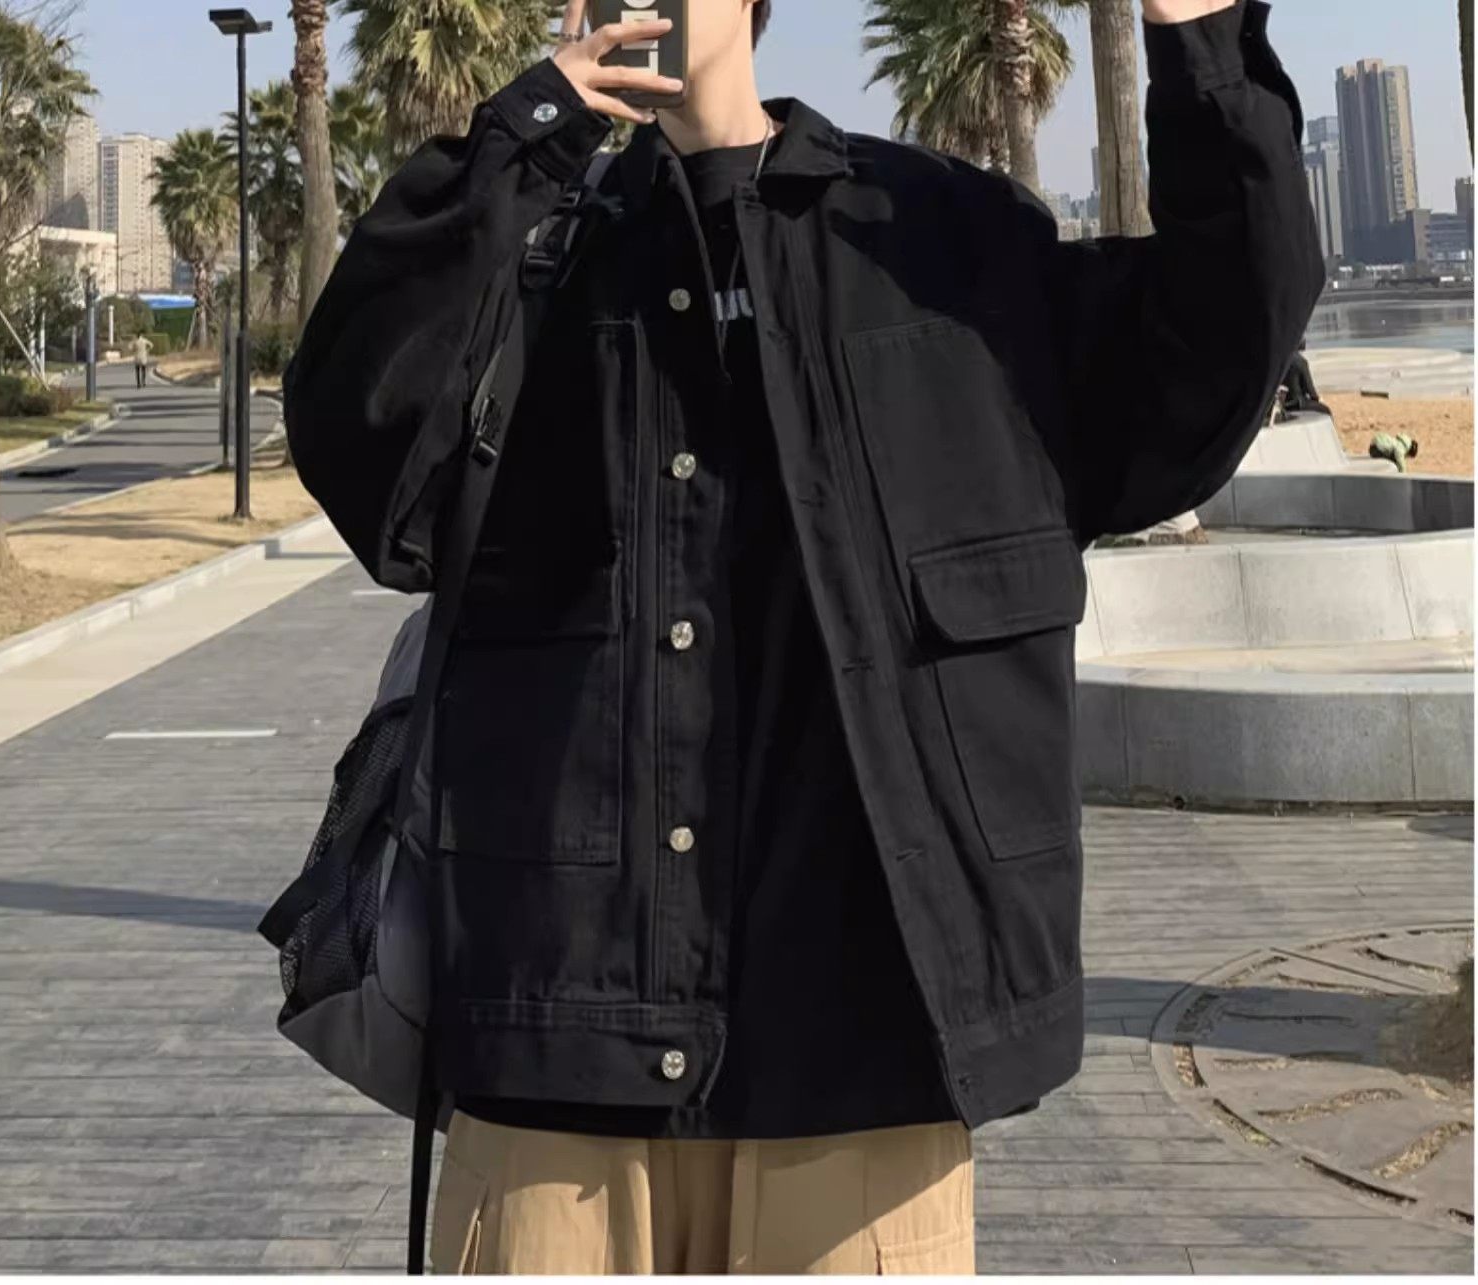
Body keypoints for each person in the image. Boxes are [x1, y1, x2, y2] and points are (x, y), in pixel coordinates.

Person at [283, 0, 1324, 1272]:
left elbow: (1216, 347)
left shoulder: (952, 244)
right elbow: (360, 439)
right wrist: (526, 133)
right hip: (556, 1044)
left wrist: (1204, 41)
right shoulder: (530, 248)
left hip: (865, 1060)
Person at [1281, 337, 1332, 416]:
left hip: (1282, 404)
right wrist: (1317, 399)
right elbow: (1310, 389)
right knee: (1326, 410)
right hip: (1298, 403)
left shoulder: (1281, 360)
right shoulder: (1301, 361)